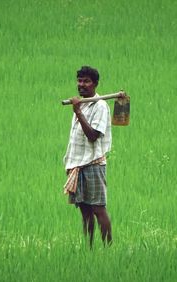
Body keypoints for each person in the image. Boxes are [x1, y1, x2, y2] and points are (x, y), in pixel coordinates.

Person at [63, 66, 113, 247]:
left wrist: (78, 112)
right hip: (78, 164)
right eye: (79, 81)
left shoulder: (100, 106)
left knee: (98, 209)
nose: (81, 85)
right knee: (84, 210)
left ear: (95, 84)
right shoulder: (81, 103)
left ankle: (108, 248)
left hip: (93, 164)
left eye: (86, 81)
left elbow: (92, 136)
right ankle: (88, 248)